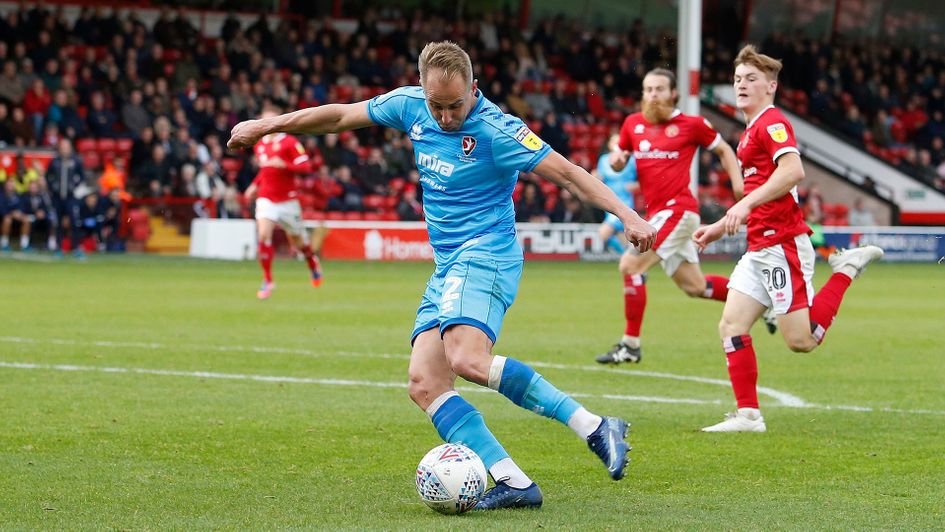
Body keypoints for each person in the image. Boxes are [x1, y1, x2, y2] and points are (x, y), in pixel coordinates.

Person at [228, 41, 657, 510]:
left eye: (457, 104)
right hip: (448, 263)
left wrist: (627, 214)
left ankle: (594, 427)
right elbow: (337, 116)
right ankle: (514, 482)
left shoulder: (498, 129)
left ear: (474, 88)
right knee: (425, 383)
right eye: (438, 105)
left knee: (467, 358)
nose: (448, 116)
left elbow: (570, 174)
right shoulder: (408, 105)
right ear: (422, 91)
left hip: (488, 252)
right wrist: (267, 125)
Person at [693, 45, 884, 432]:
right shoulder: (750, 131)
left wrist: (745, 207)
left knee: (802, 341)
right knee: (731, 326)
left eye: (751, 79)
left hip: (782, 243)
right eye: (737, 79)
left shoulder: (772, 122)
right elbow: (761, 189)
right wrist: (718, 228)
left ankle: (845, 269)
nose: (741, 85)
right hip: (759, 245)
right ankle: (748, 415)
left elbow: (793, 171)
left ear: (771, 86)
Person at [596, 68, 768, 366]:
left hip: (679, 210)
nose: (652, 95)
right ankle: (764, 302)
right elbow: (620, 159)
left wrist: (738, 185)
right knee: (696, 287)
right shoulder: (632, 124)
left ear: (673, 93)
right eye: (648, 89)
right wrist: (617, 158)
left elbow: (724, 150)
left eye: (659, 89)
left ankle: (630, 345)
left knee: (630, 264)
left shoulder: (691, 124)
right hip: (661, 214)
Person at [244, 106, 323, 300]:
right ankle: (268, 280)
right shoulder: (260, 144)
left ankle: (312, 261)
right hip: (266, 197)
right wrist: (255, 185)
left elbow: (306, 166)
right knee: (263, 235)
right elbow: (266, 170)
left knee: (298, 241)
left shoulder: (290, 142)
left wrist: (286, 165)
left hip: (288, 200)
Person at [593, 134, 638, 254]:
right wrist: (595, 177)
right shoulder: (603, 160)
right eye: (613, 141)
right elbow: (599, 178)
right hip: (607, 201)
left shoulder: (631, 160)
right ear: (609, 144)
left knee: (603, 233)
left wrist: (635, 186)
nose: (616, 144)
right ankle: (631, 263)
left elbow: (643, 181)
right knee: (622, 237)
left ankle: (630, 260)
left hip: (624, 201)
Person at [45, 138, 87, 258]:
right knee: (57, 223)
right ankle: (58, 248)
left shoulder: (76, 161)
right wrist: (53, 187)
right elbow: (49, 177)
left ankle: (76, 248)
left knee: (74, 222)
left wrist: (75, 188)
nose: (64, 149)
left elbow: (82, 177)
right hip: (57, 198)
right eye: (62, 147)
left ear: (70, 148)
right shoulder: (54, 161)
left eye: (66, 147)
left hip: (71, 198)